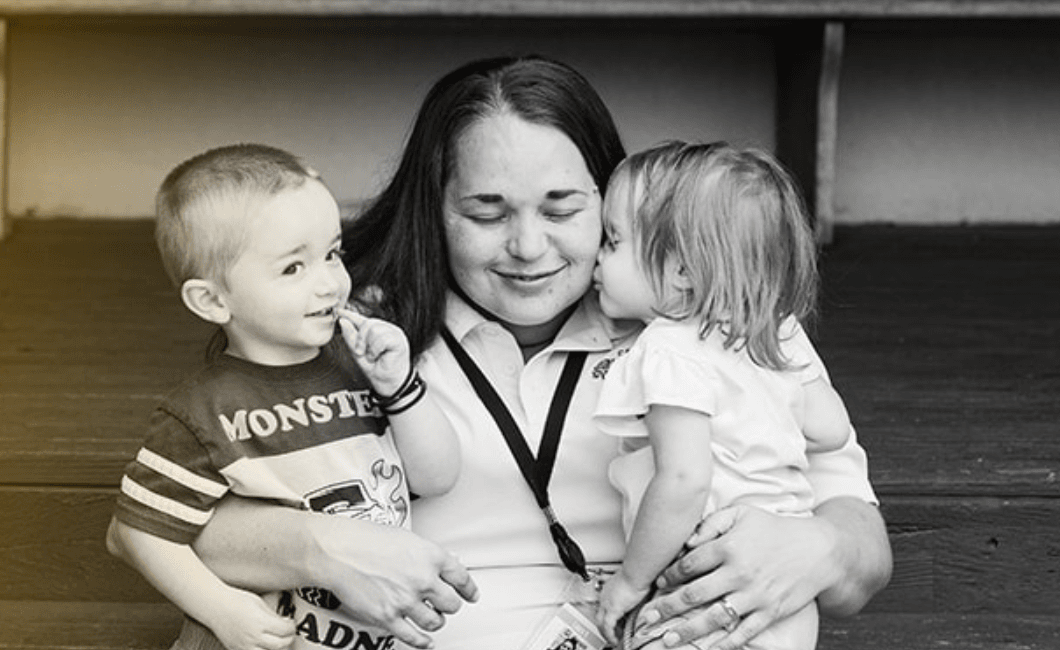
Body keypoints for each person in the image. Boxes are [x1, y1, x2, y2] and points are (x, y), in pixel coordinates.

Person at [161, 56, 892, 650]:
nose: (529, 248)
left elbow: (864, 552)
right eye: (487, 211)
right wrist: (322, 546)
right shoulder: (358, 327)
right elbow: (176, 525)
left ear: (612, 200)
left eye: (563, 208)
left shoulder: (721, 319)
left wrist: (819, 548)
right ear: (434, 209)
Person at [107, 143, 462, 650]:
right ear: (212, 300)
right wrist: (222, 609)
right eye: (293, 268)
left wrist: (400, 387)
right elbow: (138, 532)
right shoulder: (205, 412)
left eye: (332, 254)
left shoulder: (358, 369)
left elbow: (439, 475)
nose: (330, 284)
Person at [590, 141, 855, 650]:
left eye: (613, 240)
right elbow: (831, 429)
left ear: (682, 271)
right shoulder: (773, 336)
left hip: (704, 590)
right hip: (785, 596)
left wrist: (630, 582)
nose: (599, 255)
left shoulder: (670, 349)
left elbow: (685, 481)